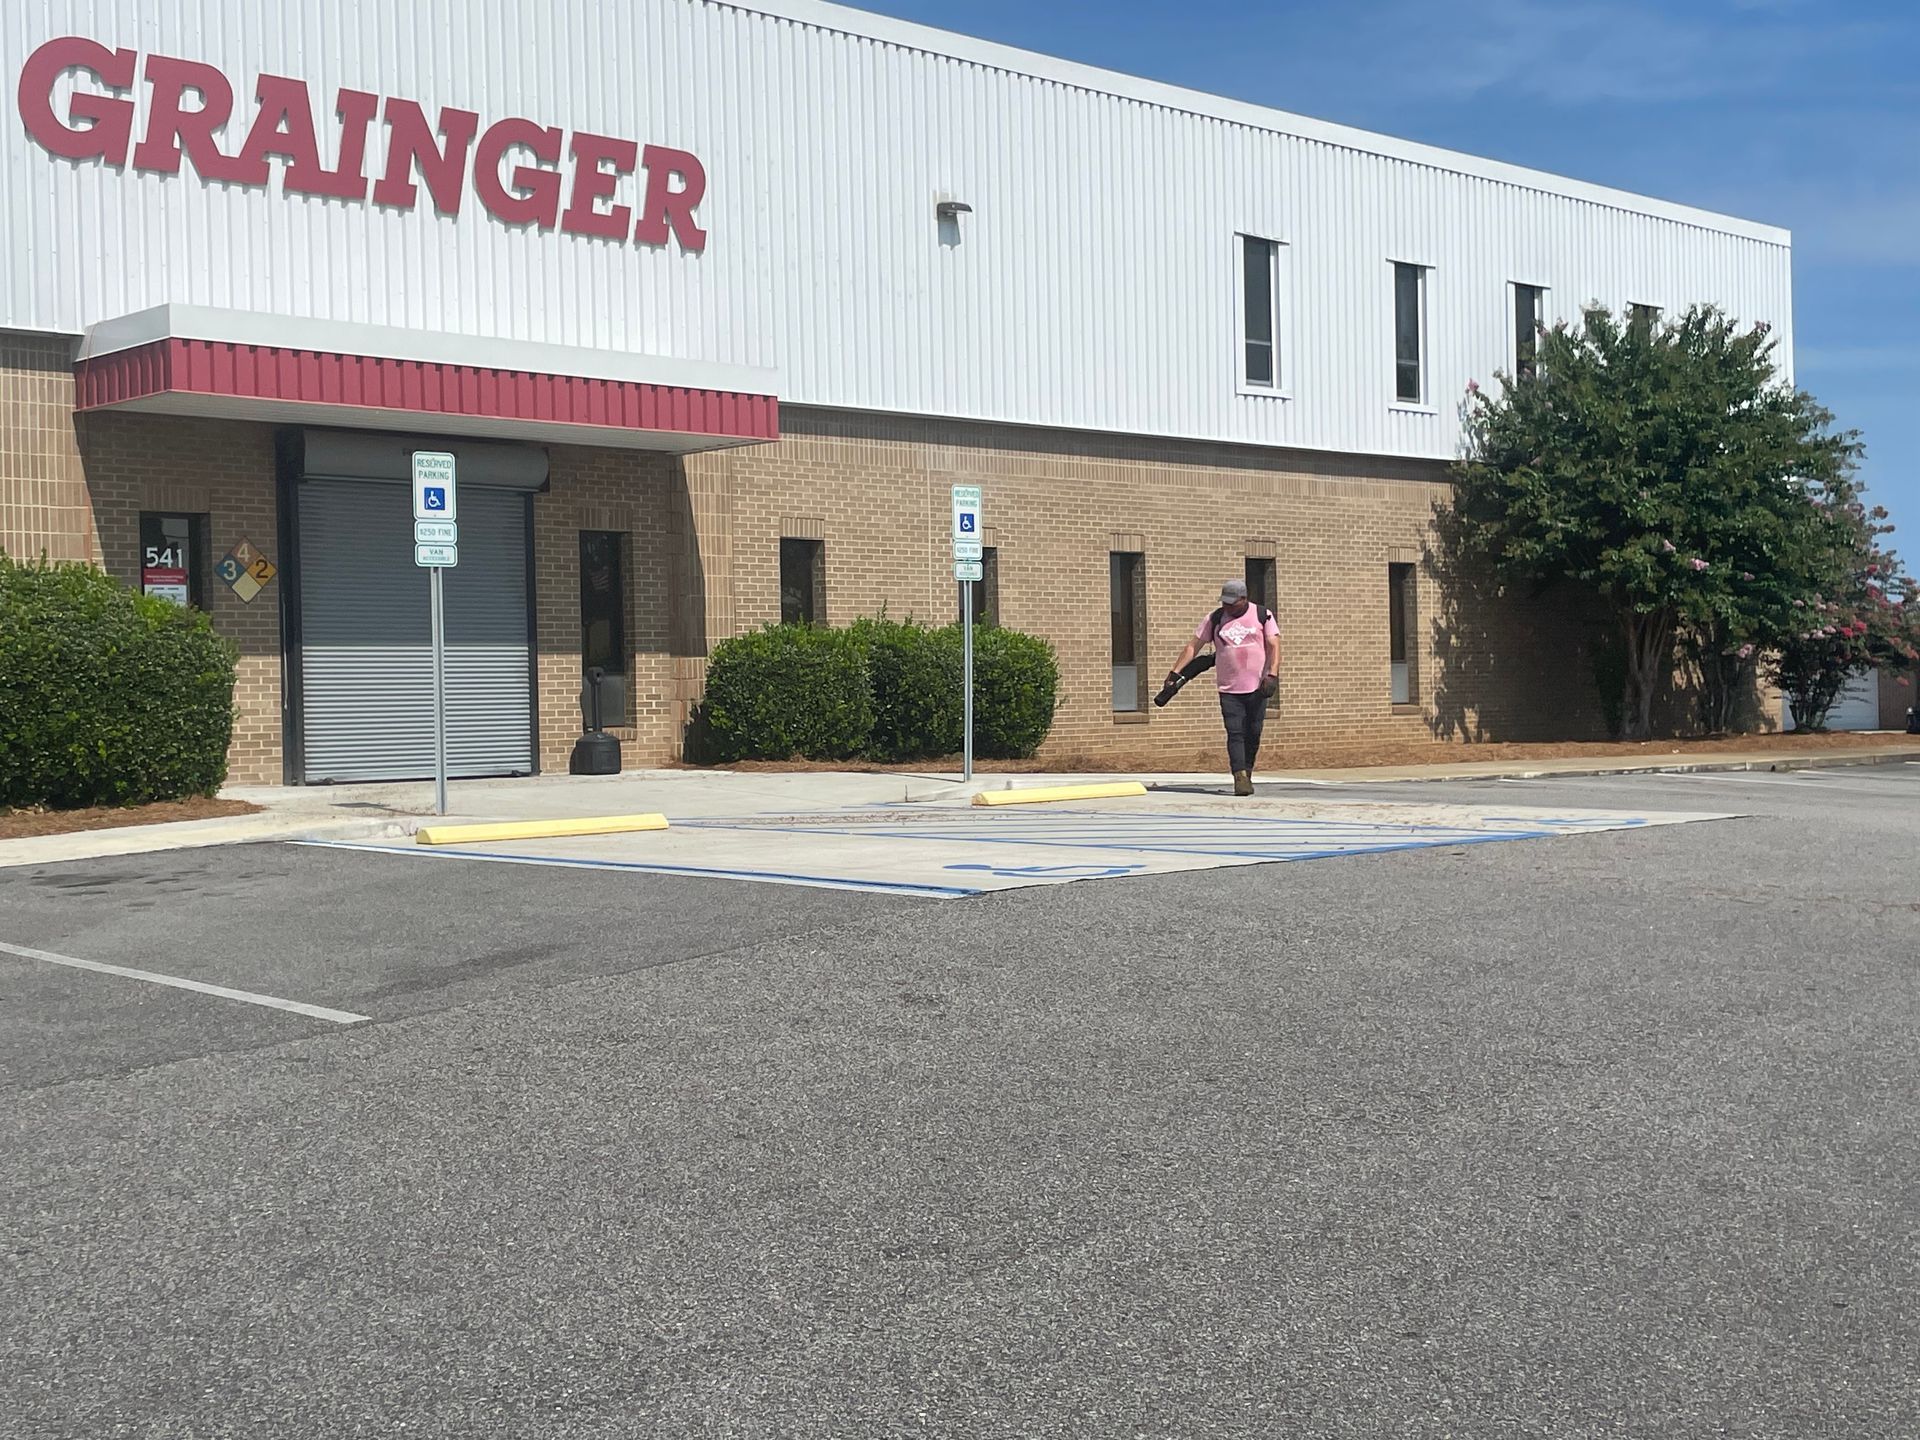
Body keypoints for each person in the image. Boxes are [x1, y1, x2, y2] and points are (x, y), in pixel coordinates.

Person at [1164, 579, 1280, 796]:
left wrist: (1272, 674)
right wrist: (1175, 672)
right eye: (1224, 603)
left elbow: (1274, 645)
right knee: (1235, 732)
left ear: (1244, 599)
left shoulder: (1262, 615)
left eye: (1232, 603)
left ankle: (1247, 771)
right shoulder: (1215, 618)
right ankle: (1239, 777)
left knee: (1253, 732)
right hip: (1229, 688)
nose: (1227, 607)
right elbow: (1193, 646)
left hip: (1258, 686)